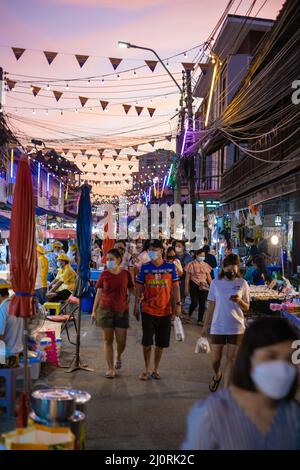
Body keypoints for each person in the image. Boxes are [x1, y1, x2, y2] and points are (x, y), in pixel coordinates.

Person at [182, 317, 300, 450]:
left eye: (289, 358)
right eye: (271, 356)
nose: (282, 367)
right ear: (248, 358)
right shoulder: (211, 415)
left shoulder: (293, 414)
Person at [201, 253, 250, 391]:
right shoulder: (216, 283)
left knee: (231, 360)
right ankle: (217, 374)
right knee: (215, 359)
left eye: (234, 270)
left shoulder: (242, 283)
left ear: (237, 269)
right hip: (218, 326)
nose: (231, 273)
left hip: (236, 327)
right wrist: (205, 327)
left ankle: (226, 391)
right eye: (229, 270)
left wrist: (239, 301)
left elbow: (247, 307)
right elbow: (211, 306)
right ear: (223, 267)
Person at [134, 240, 181, 381]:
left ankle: (156, 369)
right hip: (148, 310)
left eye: (155, 249)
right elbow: (139, 287)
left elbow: (175, 287)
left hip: (165, 311)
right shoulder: (145, 268)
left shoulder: (171, 267)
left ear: (162, 250)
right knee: (147, 342)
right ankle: (146, 369)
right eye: (150, 250)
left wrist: (177, 304)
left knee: (160, 344)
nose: (152, 252)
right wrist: (136, 305)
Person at [92, 249, 134, 378]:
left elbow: (132, 290)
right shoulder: (104, 274)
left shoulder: (126, 274)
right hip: (105, 310)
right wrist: (94, 310)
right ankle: (110, 368)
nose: (109, 261)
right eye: (107, 259)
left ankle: (118, 355)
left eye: (112, 259)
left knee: (122, 342)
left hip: (122, 311)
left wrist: (141, 297)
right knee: (107, 340)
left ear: (119, 260)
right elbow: (99, 293)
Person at [0, 280, 24, 368]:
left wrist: (1, 359)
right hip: (18, 350)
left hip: (7, 355)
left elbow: (0, 337)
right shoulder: (16, 305)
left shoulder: (2, 309)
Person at [185, 249, 212, 325]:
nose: (202, 257)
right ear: (196, 255)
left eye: (203, 256)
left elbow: (209, 277)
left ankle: (200, 320)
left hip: (204, 286)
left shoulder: (206, 265)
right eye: (200, 255)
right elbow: (187, 278)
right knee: (194, 302)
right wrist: (186, 288)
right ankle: (188, 315)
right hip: (194, 284)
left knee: (203, 303)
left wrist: (212, 286)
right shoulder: (191, 264)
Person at [173, 240, 192, 314]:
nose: (177, 247)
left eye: (179, 246)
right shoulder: (173, 255)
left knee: (182, 294)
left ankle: (181, 308)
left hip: (183, 279)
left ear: (183, 247)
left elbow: (188, 269)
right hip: (174, 278)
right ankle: (176, 309)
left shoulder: (188, 257)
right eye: (176, 246)